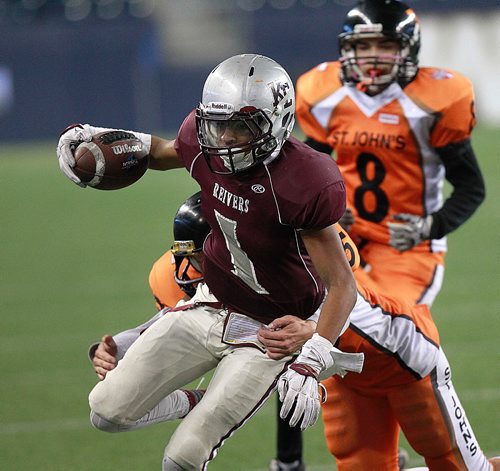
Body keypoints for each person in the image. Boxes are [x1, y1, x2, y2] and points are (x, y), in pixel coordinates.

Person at [57, 53, 359, 470]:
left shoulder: (305, 182)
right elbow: (162, 151)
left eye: (242, 126)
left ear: (278, 120)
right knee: (105, 412)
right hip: (211, 302)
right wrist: (100, 140)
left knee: (183, 458)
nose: (226, 139)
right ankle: (193, 400)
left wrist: (313, 356)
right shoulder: (203, 143)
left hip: (269, 332)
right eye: (218, 125)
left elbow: (343, 285)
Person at [91, 197, 499, 471]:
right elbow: (180, 312)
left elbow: (348, 305)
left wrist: (312, 334)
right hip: (346, 379)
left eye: (203, 256)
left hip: (405, 360)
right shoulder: (203, 272)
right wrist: (120, 347)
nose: (193, 269)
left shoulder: (292, 270)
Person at [295, 0, 485, 306]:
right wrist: (323, 210)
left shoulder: (436, 100)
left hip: (407, 243)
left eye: (385, 45)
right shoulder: (324, 92)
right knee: (319, 319)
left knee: (392, 327)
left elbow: (471, 187)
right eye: (363, 45)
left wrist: (429, 227)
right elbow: (307, 168)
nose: (373, 56)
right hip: (341, 234)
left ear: (407, 48)